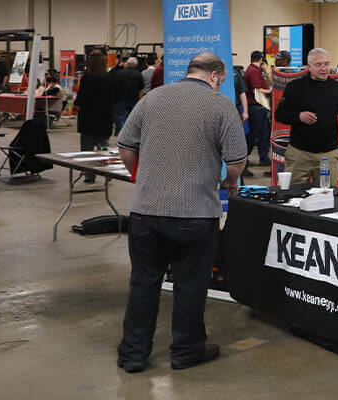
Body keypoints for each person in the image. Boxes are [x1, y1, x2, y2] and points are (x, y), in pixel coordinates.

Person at [115, 53, 246, 373]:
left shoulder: (152, 98)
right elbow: (237, 159)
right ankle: (185, 352)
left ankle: (133, 354)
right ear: (215, 76)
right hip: (196, 214)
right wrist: (229, 182)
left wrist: (143, 176)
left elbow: (125, 145)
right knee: (190, 285)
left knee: (143, 282)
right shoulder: (221, 107)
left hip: (146, 211)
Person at [274, 48, 338, 184]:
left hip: (328, 154)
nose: (323, 68)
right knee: (293, 195)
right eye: (318, 64)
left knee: (327, 196)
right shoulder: (294, 87)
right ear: (309, 67)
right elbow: (280, 115)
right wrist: (299, 116)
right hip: (299, 153)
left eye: (327, 64)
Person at [74, 53, 116, 182]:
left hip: (88, 119)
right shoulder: (110, 78)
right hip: (104, 118)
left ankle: (89, 175)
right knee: (104, 147)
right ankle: (107, 173)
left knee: (87, 151)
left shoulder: (87, 79)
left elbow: (80, 100)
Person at [243, 51, 273, 174]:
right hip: (256, 106)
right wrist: (270, 91)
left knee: (261, 133)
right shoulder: (254, 71)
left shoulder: (251, 70)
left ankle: (262, 157)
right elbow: (257, 89)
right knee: (257, 134)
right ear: (261, 59)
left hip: (257, 106)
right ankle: (245, 158)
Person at [111, 56, 143, 133]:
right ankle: (128, 133)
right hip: (133, 99)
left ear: (127, 64)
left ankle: (121, 133)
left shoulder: (119, 73)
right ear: (135, 65)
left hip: (120, 99)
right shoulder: (138, 74)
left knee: (121, 117)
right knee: (131, 118)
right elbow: (141, 86)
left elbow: (114, 85)